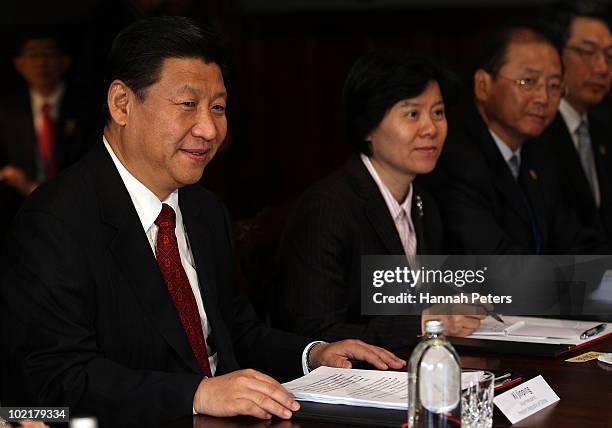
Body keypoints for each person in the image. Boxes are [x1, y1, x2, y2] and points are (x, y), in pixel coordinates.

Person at [0, 17, 405, 427]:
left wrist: (314, 355)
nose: (209, 129)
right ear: (122, 104)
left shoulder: (204, 209)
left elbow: (237, 332)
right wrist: (197, 393)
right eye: (187, 105)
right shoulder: (55, 220)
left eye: (218, 107)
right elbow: (56, 380)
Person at [273, 49, 486, 351]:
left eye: (437, 112)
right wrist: (424, 323)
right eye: (412, 114)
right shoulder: (329, 208)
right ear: (368, 127)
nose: (431, 128)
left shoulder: (425, 203)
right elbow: (314, 332)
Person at [426, 25, 609, 255]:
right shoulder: (455, 159)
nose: (543, 98)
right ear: (483, 85)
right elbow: (495, 263)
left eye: (553, 86)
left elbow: (576, 243)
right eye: (527, 82)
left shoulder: (539, 154)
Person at [0, 31, 94, 241]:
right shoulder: (6, 110)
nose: (41, 63)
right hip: (17, 213)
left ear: (65, 62)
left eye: (49, 54)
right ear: (19, 63)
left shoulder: (88, 109)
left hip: (78, 209)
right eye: (33, 55)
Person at [538, 1, 612, 240]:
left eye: (610, 56)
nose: (602, 68)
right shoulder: (536, 129)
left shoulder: (603, 130)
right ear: (554, 53)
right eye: (587, 52)